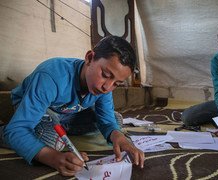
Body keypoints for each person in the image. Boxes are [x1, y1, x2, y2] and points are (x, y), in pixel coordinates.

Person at [0, 36, 144, 176]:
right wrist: (54, 158)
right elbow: (20, 129)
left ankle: (59, 131)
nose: (107, 87)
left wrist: (120, 138)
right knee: (50, 142)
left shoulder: (104, 86)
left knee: (115, 121)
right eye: (105, 74)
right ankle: (4, 132)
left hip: (67, 115)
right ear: (89, 58)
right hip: (42, 110)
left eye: (117, 84)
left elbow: (107, 119)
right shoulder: (50, 76)